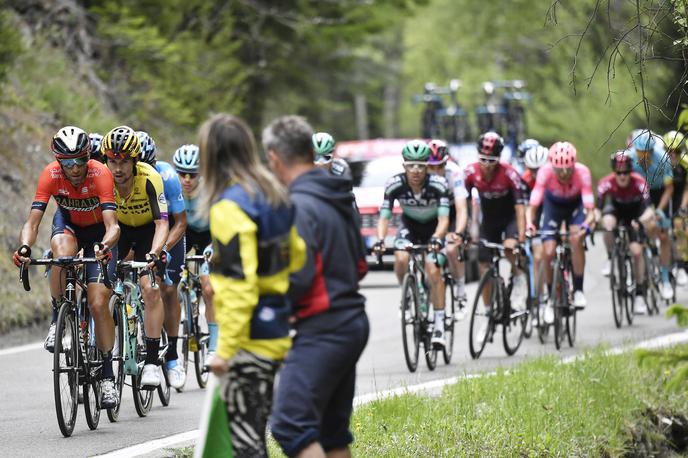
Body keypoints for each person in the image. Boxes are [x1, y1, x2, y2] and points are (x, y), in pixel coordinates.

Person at [199, 113, 305, 458]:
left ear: (211, 157)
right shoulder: (275, 194)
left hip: (248, 343)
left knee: (246, 447)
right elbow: (297, 256)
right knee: (256, 439)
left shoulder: (230, 207)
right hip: (276, 333)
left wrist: (225, 351)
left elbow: (238, 285)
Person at [265, 115, 369, 458]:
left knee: (289, 423)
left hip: (324, 328)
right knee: (332, 433)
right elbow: (361, 265)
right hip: (352, 321)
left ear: (275, 158)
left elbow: (298, 275)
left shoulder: (297, 205)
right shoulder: (340, 196)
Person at [14, 126, 120, 407]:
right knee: (60, 255)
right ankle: (57, 317)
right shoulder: (50, 174)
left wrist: (105, 246)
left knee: (98, 303)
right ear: (58, 160)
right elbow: (32, 222)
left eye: (80, 161)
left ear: (88, 157)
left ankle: (108, 375)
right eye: (67, 162)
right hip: (69, 225)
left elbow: (113, 226)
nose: (74, 168)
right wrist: (25, 247)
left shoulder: (100, 173)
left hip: (100, 233)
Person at [102, 125, 169, 388]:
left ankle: (152, 362)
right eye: (112, 161)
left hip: (146, 232)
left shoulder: (150, 178)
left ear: (135, 161)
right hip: (118, 230)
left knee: (149, 288)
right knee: (101, 288)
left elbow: (162, 223)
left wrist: (154, 253)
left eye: (124, 162)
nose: (117, 169)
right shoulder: (102, 179)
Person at [373, 139, 450, 347]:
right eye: (411, 165)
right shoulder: (394, 184)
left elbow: (444, 219)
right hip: (410, 228)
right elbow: (384, 216)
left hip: (435, 230)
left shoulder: (439, 184)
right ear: (404, 166)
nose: (415, 170)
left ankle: (440, 325)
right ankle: (407, 292)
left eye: (420, 166)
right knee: (400, 257)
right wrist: (380, 240)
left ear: (427, 166)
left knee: (433, 270)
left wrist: (437, 238)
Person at [136, 130, 188, 388]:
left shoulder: (167, 176)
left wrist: (163, 249)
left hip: (167, 232)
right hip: (140, 229)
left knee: (168, 289)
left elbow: (180, 223)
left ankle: (173, 357)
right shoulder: (120, 177)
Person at [464, 132, 527, 337]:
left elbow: (520, 208)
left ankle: (519, 279)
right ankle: (489, 311)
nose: (487, 165)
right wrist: (465, 231)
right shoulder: (471, 173)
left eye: (491, 161)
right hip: (489, 223)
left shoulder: (510, 174)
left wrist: (522, 235)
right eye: (483, 160)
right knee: (484, 266)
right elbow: (462, 204)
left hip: (509, 220)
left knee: (509, 247)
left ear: (499, 160)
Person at [527, 141, 595, 310]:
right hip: (554, 207)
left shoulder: (582, 172)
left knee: (575, 237)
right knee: (548, 251)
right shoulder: (544, 172)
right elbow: (533, 206)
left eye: (568, 169)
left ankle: (578, 290)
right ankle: (551, 296)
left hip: (575, 207)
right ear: (552, 166)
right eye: (559, 170)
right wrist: (529, 223)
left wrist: (586, 225)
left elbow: (591, 210)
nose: (564, 174)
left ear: (574, 165)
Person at [173, 144, 218, 364]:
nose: (187, 179)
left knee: (209, 289)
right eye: (182, 173)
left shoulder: (211, 188)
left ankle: (214, 347)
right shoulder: (171, 185)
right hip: (185, 232)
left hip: (209, 234)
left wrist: (213, 248)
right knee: (172, 281)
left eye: (192, 175)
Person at [597, 151, 655, 314]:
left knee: (637, 252)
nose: (622, 176)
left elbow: (649, 210)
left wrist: (641, 221)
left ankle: (639, 295)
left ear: (631, 171)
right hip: (617, 211)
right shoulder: (605, 183)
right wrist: (594, 218)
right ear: (614, 172)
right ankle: (610, 258)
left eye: (626, 172)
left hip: (636, 213)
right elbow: (598, 209)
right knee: (607, 222)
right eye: (618, 172)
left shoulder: (640, 183)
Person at [627, 130, 674, 299]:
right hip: (640, 194)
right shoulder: (629, 158)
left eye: (647, 153)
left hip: (659, 192)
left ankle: (665, 278)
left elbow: (669, 189)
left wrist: (660, 210)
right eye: (640, 153)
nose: (643, 157)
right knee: (638, 226)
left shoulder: (663, 159)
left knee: (663, 234)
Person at [427, 139, 469, 306]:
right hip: (433, 213)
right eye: (432, 167)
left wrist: (458, 232)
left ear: (446, 162)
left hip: (452, 212)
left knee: (452, 249)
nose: (436, 171)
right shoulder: (422, 174)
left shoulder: (455, 173)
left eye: (440, 166)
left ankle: (460, 289)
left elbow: (462, 209)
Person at [664, 130, 688, 286]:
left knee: (680, 224)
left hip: (682, 195)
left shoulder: (685, 163)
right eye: (669, 151)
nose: (673, 155)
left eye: (677, 151)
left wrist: (684, 206)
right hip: (665, 195)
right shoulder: (659, 163)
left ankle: (680, 266)